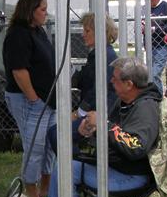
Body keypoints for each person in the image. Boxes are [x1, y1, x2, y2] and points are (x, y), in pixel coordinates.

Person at [38, 57, 161, 197]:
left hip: (131, 177)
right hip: (119, 168)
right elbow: (115, 132)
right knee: (66, 162)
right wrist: (89, 130)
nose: (111, 81)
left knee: (64, 170)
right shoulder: (128, 101)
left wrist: (103, 124)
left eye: (115, 79)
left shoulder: (145, 108)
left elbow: (136, 146)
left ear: (129, 84)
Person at [2, 0, 56, 197]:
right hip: (29, 101)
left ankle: (46, 188)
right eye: (43, 9)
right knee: (35, 146)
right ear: (30, 10)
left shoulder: (38, 31)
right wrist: (34, 99)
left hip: (47, 100)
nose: (46, 13)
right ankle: (32, 192)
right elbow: (19, 71)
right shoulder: (18, 34)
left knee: (50, 144)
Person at [47, 11, 119, 153]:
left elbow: (98, 90)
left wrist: (78, 113)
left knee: (57, 134)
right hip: (94, 111)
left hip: (101, 115)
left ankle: (75, 165)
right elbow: (84, 80)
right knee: (56, 132)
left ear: (100, 32)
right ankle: (76, 163)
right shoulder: (97, 54)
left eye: (87, 31)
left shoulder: (104, 56)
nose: (82, 34)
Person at [145, 0, 167, 93]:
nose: (150, 0)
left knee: (154, 74)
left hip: (162, 46)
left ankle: (158, 97)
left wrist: (155, 29)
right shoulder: (145, 8)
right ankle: (155, 96)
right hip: (150, 46)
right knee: (149, 75)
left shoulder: (165, 6)